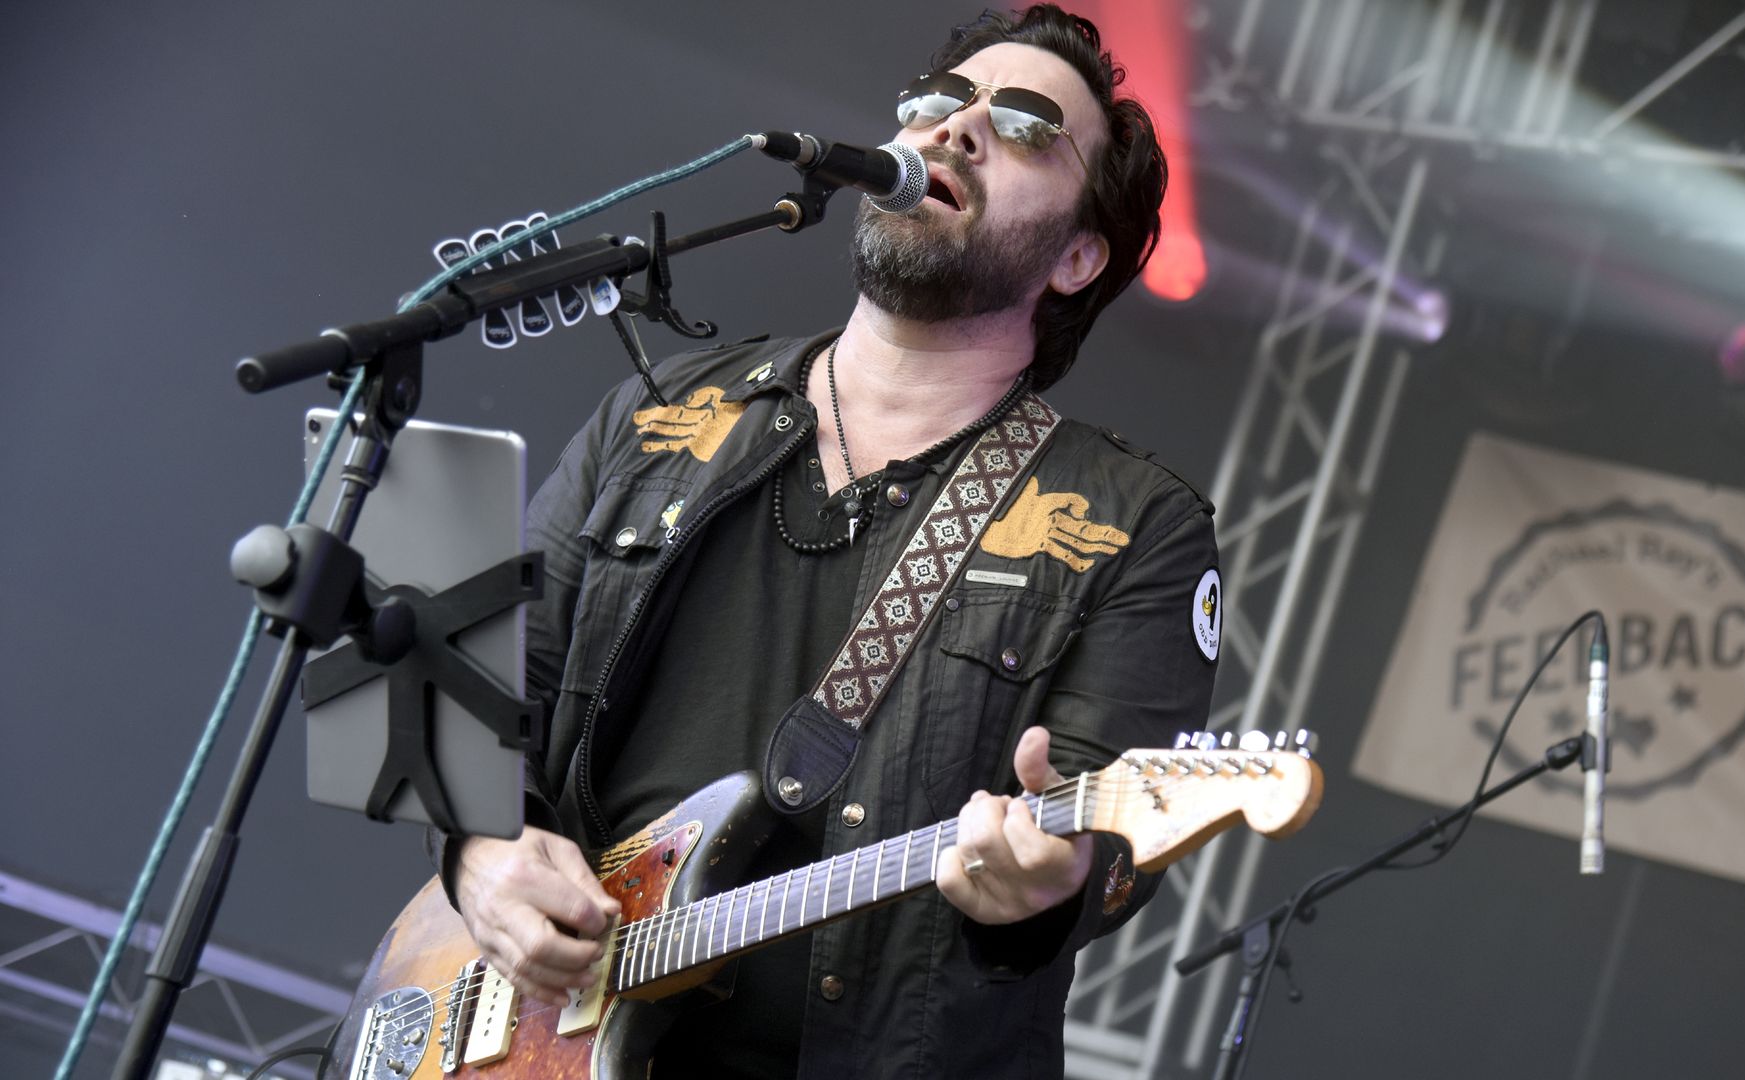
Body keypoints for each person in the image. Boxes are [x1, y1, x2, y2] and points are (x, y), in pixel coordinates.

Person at [436, 5, 1221, 1077]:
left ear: (1079, 258)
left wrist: (1052, 886)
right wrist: (477, 851)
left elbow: (1108, 849)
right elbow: (483, 692)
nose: (958, 128)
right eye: (942, 101)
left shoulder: (1129, 523)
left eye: (1027, 126)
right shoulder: (664, 415)